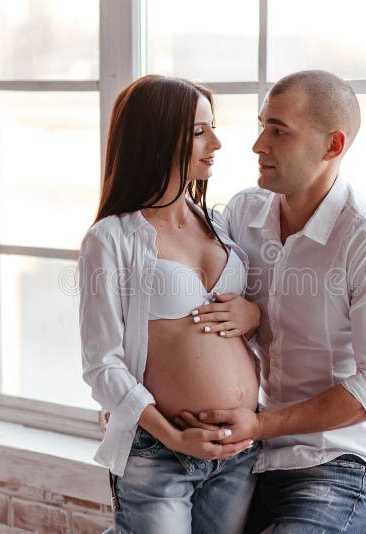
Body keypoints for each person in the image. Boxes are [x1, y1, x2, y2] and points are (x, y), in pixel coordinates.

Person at [184, 70, 366, 533]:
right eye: (261, 126)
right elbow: (179, 271)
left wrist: (259, 425)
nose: (257, 146)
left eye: (279, 131)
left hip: (339, 462)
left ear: (332, 145)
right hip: (245, 457)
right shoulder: (242, 213)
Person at [77, 74, 263, 534]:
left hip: (237, 448)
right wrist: (176, 436)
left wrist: (253, 314)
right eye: (200, 131)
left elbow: (256, 320)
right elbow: (102, 366)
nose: (216, 142)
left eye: (211, 127)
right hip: (158, 451)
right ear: (156, 138)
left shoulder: (221, 225)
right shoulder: (112, 239)